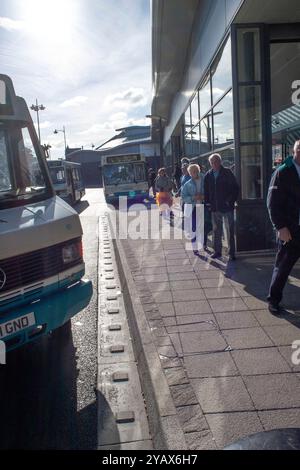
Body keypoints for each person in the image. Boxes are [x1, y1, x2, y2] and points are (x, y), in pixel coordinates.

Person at [267, 140, 300, 314]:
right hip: (290, 230)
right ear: (294, 151)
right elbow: (272, 203)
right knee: (283, 267)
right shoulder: (283, 171)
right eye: (299, 149)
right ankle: (273, 300)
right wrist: (280, 227)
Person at [204, 153, 239, 260]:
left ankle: (231, 253)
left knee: (229, 231)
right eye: (212, 162)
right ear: (210, 163)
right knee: (216, 231)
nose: (214, 164)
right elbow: (206, 191)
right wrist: (208, 203)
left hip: (227, 207)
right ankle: (217, 251)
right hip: (215, 208)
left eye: (216, 161)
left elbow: (235, 188)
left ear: (220, 161)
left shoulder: (227, 172)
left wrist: (230, 201)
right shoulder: (208, 175)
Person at [181, 164, 204, 254]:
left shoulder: (203, 180)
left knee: (200, 227)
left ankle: (202, 243)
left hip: (201, 206)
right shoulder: (188, 184)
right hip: (192, 207)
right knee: (193, 227)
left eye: (195, 171)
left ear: (198, 171)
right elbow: (183, 197)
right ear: (190, 173)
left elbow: (209, 192)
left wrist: (203, 196)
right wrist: (193, 198)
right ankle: (195, 246)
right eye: (192, 172)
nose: (194, 173)